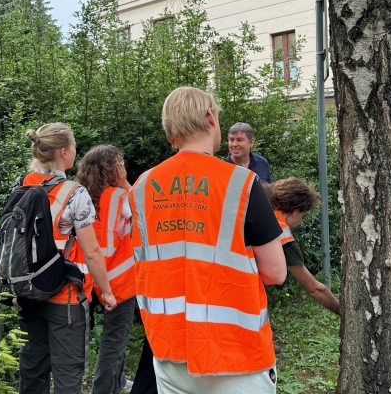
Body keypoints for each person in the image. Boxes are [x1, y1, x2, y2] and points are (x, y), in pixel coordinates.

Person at [129, 86, 286, 393]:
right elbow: (276, 272)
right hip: (235, 355)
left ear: (170, 131)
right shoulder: (240, 182)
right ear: (210, 117)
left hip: (169, 352)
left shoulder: (142, 186)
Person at [19, 123, 117, 394]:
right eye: (74, 145)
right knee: (67, 374)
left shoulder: (21, 186)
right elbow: (92, 252)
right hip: (65, 297)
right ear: (63, 152)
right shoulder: (74, 193)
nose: (76, 150)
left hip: (27, 291)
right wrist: (106, 292)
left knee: (32, 370)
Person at [76, 145, 135, 394]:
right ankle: (103, 389)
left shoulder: (78, 195)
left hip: (86, 276)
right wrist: (125, 182)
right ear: (113, 169)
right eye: (119, 162)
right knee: (115, 339)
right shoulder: (120, 197)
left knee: (96, 337)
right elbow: (146, 210)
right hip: (119, 277)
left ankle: (118, 381)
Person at [264, 178, 339, 316]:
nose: (300, 222)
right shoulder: (280, 232)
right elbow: (314, 289)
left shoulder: (256, 210)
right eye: (302, 216)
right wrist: (344, 312)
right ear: (294, 212)